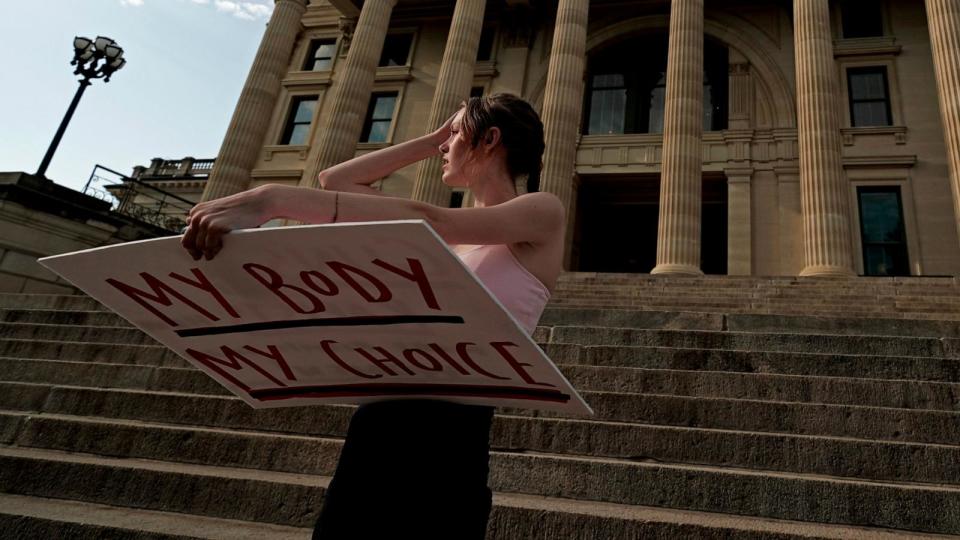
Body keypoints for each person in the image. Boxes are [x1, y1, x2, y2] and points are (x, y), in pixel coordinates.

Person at [181, 93, 564, 539]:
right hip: (378, 420)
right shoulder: (445, 235)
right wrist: (435, 138)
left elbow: (433, 218)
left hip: (451, 436)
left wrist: (272, 199)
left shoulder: (541, 212)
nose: (444, 147)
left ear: (490, 138)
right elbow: (335, 179)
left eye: (455, 135)